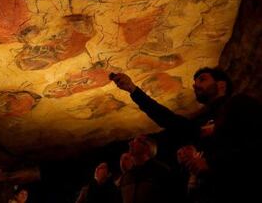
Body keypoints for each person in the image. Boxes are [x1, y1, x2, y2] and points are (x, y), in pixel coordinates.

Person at [110, 67, 261, 202]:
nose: (195, 85)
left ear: (221, 85)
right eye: (195, 82)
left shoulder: (239, 104)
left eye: (202, 79)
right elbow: (167, 119)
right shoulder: (199, 123)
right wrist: (132, 89)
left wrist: (213, 165)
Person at [119, 135, 170, 203]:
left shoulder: (162, 171)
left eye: (136, 141)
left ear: (147, 147)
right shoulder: (126, 176)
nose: (130, 143)